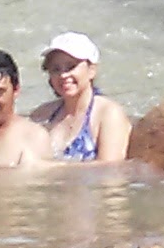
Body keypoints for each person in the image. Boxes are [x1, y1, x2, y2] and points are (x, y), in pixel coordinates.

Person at [34, 32, 134, 163]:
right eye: (55, 69)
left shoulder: (109, 114)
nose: (63, 75)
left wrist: (54, 170)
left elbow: (111, 170)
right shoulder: (43, 114)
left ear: (92, 70)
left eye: (71, 67)